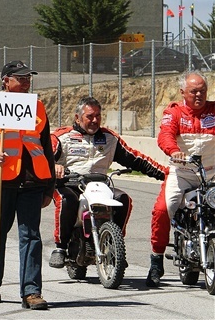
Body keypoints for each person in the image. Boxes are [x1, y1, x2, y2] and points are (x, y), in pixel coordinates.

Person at [0, 60, 54, 310]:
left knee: (31, 236)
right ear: (6, 80)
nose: (26, 82)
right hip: (1, 180)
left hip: (33, 180)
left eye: (28, 78)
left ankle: (31, 292)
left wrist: (49, 187)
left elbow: (45, 147)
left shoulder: (37, 106)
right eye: (21, 78)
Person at [49, 97, 166, 268]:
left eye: (98, 116)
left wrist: (167, 174)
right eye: (90, 116)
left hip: (100, 186)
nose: (95, 120)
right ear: (77, 118)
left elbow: (137, 159)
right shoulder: (61, 137)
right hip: (69, 185)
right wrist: (54, 166)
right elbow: (42, 158)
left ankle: (114, 245)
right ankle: (60, 248)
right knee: (67, 201)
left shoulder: (110, 138)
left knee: (123, 199)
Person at [146, 71, 215, 287]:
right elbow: (165, 134)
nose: (199, 95)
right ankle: (156, 261)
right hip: (182, 173)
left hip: (211, 174)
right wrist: (174, 150)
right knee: (162, 209)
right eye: (194, 91)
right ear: (182, 92)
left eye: (203, 91)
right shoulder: (174, 112)